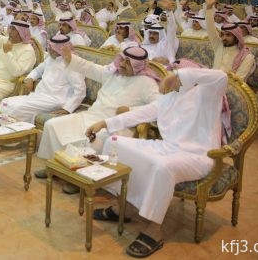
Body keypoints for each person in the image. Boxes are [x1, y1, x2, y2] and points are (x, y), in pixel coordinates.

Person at [85, 68, 228, 258]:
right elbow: (140, 114)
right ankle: (124, 207)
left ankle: (154, 229)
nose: (168, 82)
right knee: (114, 143)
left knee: (162, 167)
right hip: (166, 148)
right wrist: (104, 123)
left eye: (176, 76)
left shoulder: (206, 94)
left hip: (197, 156)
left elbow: (221, 76)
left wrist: (177, 75)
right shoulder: (168, 99)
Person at [36, 46, 160, 184]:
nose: (122, 64)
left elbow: (159, 106)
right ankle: (54, 167)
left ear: (138, 66)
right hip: (92, 115)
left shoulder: (147, 82)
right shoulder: (113, 72)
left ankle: (81, 177)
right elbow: (91, 68)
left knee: (96, 141)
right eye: (122, 59)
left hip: (117, 125)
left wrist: (130, 110)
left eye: (128, 62)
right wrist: (70, 58)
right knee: (52, 125)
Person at [0, 33, 86, 123]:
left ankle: (16, 130)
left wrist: (68, 108)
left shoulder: (72, 64)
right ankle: (1, 127)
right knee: (5, 102)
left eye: (51, 47)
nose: (49, 48)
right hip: (40, 95)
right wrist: (30, 79)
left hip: (55, 100)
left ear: (59, 49)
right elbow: (38, 70)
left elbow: (80, 90)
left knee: (17, 109)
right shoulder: (51, 58)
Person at [204, 0, 255, 81]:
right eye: (222, 34)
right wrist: (209, 7)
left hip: (229, 88)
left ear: (236, 36)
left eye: (228, 35)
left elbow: (238, 83)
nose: (224, 38)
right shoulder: (219, 46)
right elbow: (210, 27)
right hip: (212, 84)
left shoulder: (247, 57)